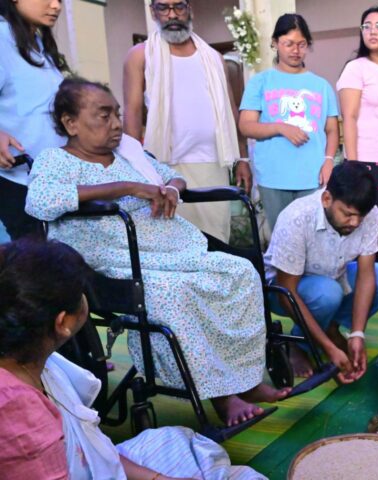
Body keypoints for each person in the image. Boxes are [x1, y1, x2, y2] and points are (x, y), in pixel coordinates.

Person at [25, 78, 290, 427]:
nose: (116, 124)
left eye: (117, 114)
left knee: (239, 273)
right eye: (103, 116)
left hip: (172, 250)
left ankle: (246, 380)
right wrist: (128, 187)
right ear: (70, 123)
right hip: (115, 263)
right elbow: (39, 201)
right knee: (172, 293)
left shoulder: (130, 155)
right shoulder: (56, 160)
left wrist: (171, 190)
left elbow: (172, 177)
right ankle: (222, 398)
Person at [0, 238, 266, 479]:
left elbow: (93, 451)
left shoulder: (33, 362)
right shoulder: (19, 412)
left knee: (184, 441)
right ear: (63, 323)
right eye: (82, 293)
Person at [123, 0, 250, 242]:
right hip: (163, 167)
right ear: (153, 12)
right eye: (163, 8)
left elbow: (230, 111)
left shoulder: (214, 58)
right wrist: (133, 165)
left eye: (178, 7)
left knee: (217, 241)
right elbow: (132, 113)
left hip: (212, 163)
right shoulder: (140, 55)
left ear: (189, 9)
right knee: (172, 243)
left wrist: (242, 158)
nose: (172, 15)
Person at [265, 161, 378, 383]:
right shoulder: (297, 217)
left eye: (360, 216)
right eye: (348, 214)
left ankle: (329, 327)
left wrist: (357, 333)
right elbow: (286, 291)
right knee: (328, 293)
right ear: (326, 199)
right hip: (283, 291)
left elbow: (366, 275)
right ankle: (299, 343)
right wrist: (329, 350)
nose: (355, 222)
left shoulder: (368, 213)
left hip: (334, 277)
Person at [239, 13, 339, 230]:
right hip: (273, 176)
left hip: (313, 176)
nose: (296, 50)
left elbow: (332, 130)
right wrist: (280, 127)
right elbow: (246, 126)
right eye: (289, 44)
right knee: (281, 237)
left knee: (313, 236)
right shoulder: (260, 82)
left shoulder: (321, 86)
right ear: (275, 43)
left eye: (302, 44)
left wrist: (329, 160)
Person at [337, 6, 378, 265]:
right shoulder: (356, 68)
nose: (372, 31)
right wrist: (353, 165)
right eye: (367, 26)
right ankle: (362, 282)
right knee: (365, 227)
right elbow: (349, 118)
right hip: (366, 161)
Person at [0, 0, 66, 240]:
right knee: (37, 259)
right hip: (19, 180)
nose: (56, 6)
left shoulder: (37, 42)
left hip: (52, 181)